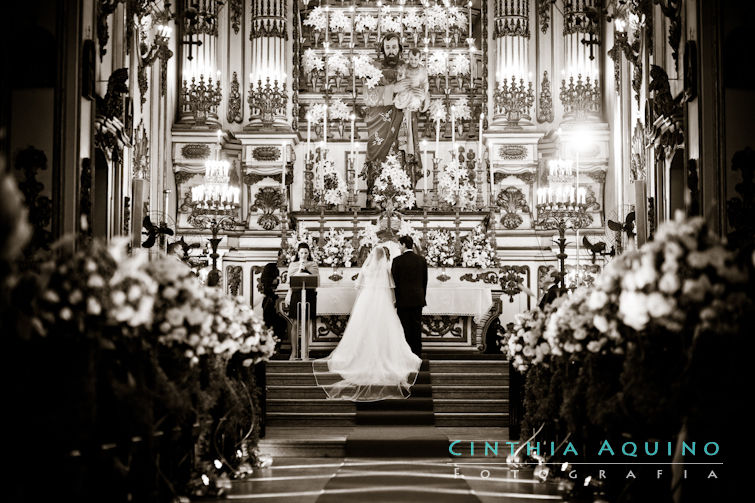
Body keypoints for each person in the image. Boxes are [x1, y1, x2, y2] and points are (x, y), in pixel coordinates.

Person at [313, 246, 422, 401]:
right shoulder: (385, 269)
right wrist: (392, 302)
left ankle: (359, 356)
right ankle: (387, 357)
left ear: (372, 255)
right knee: (383, 329)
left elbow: (358, 285)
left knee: (362, 328)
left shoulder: (366, 267)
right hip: (381, 301)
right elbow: (391, 288)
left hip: (366, 300)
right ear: (383, 256)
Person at [363, 34, 423, 198]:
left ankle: (406, 195)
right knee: (377, 156)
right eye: (388, 47)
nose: (391, 51)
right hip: (380, 122)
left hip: (403, 120)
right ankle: (374, 196)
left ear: (400, 49)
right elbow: (367, 96)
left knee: (402, 155)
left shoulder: (408, 67)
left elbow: (420, 91)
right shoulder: (374, 68)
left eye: (394, 47)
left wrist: (420, 96)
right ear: (382, 49)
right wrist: (393, 89)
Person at [391, 235, 428, 357]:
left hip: (403, 299)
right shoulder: (421, 260)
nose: (398, 247)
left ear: (403, 245)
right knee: (416, 327)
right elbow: (424, 281)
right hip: (418, 299)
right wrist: (422, 296)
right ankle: (417, 353)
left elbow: (395, 282)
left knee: (404, 327)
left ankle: (405, 353)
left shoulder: (397, 261)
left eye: (399, 245)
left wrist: (396, 299)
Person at [286, 243, 319, 322]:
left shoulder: (313, 264)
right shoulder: (293, 264)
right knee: (295, 322)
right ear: (298, 253)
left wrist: (307, 270)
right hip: (296, 294)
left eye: (306, 253)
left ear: (308, 253)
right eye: (301, 253)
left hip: (309, 294)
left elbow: (316, 280)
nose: (303, 255)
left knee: (308, 322)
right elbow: (289, 280)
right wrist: (299, 270)